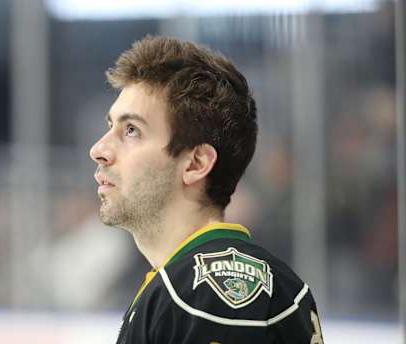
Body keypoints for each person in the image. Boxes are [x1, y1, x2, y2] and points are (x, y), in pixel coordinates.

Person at [89, 35, 324, 344]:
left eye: (131, 130)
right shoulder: (176, 288)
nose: (99, 149)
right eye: (111, 126)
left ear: (196, 163)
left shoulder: (206, 293)